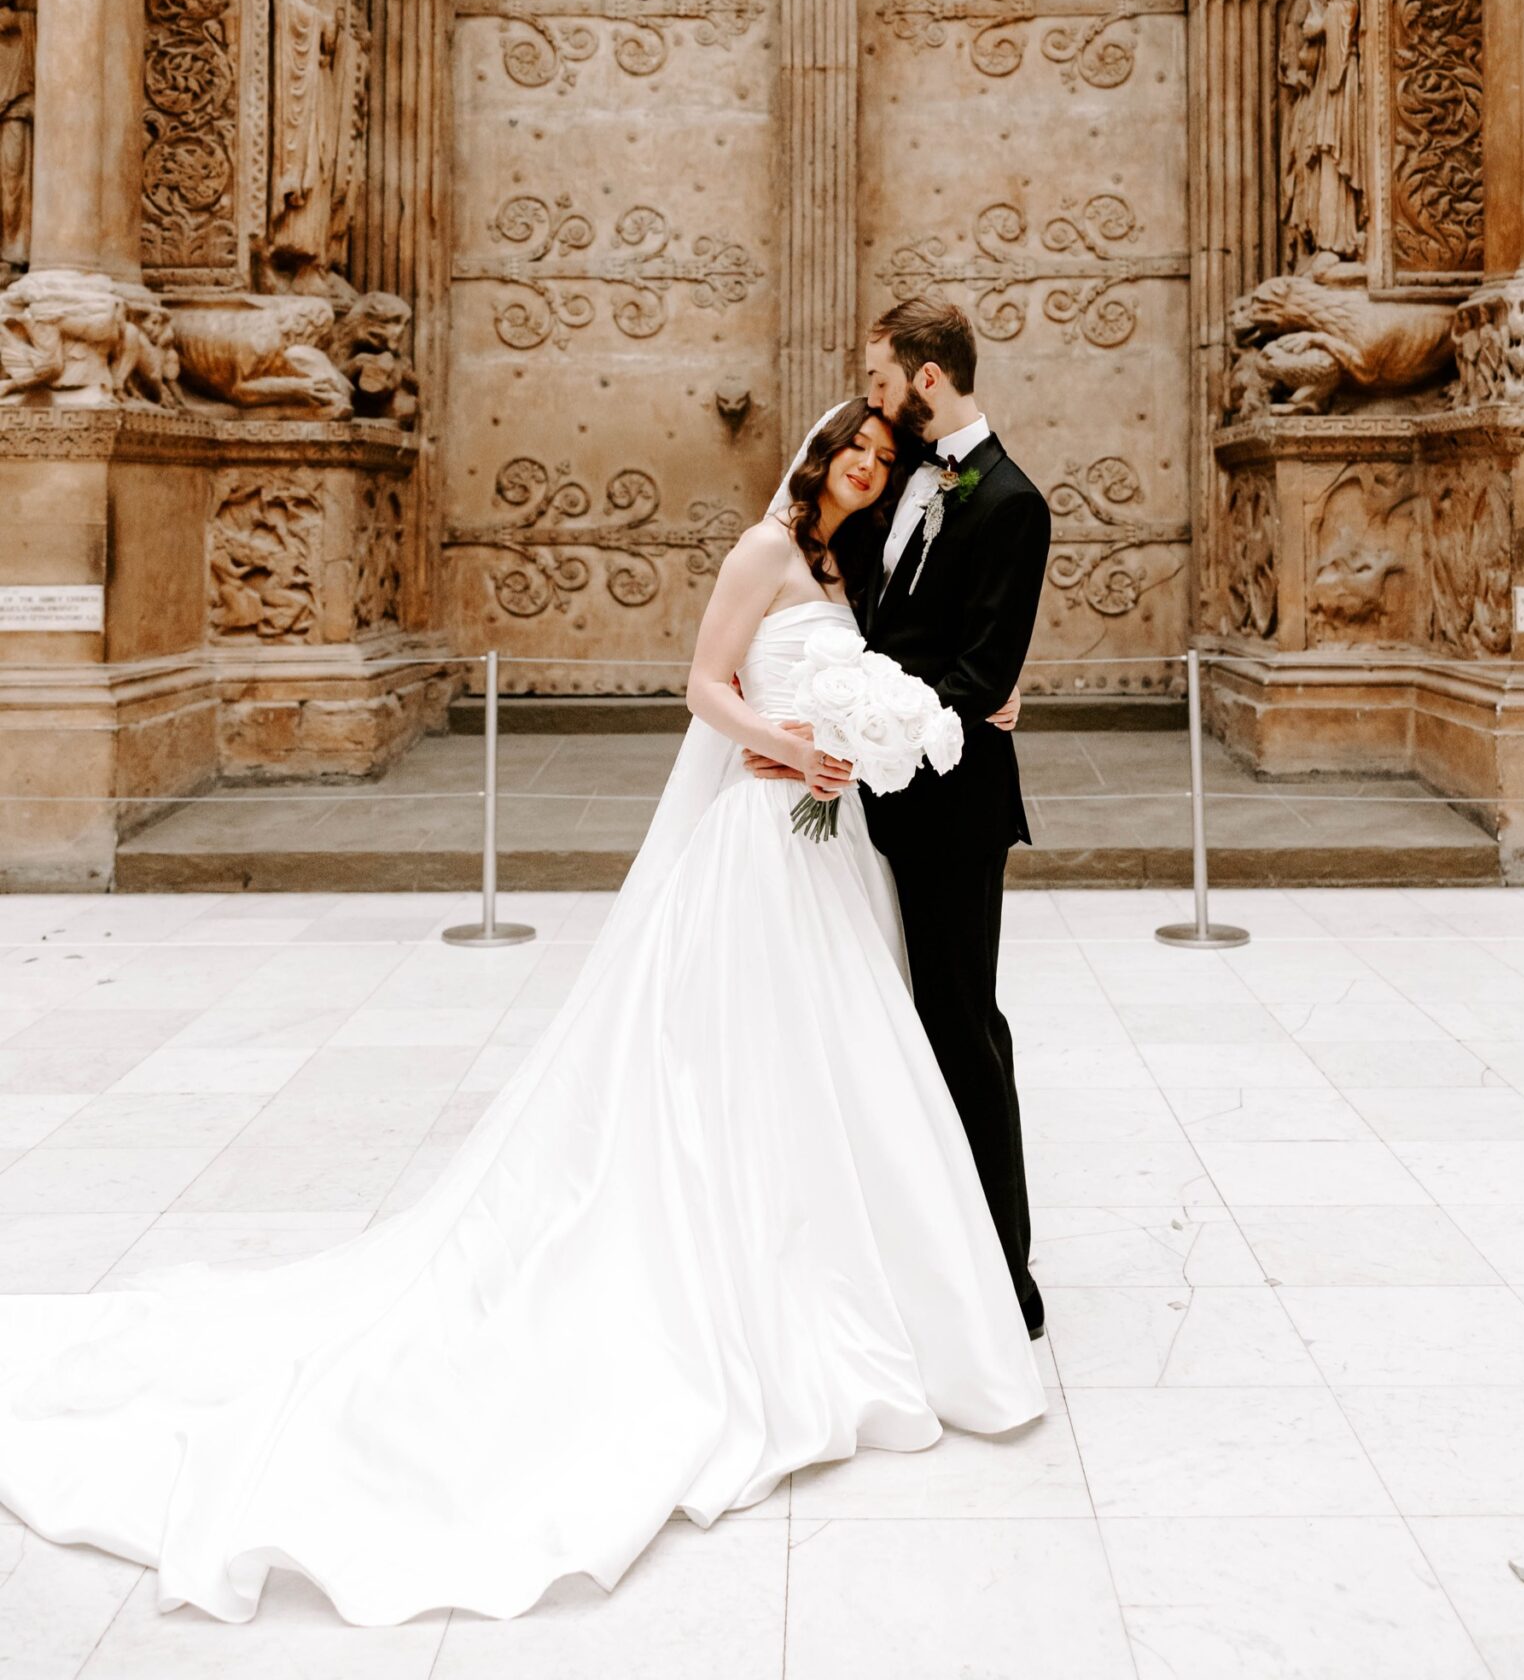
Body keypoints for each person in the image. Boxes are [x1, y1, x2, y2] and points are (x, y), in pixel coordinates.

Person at [0, 398, 1043, 1623]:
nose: (867, 474)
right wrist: (781, 741)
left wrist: (945, 715)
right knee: (729, 1064)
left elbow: (885, 676)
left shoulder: (842, 565)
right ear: (818, 459)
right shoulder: (764, 550)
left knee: (839, 1063)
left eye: (882, 462)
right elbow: (703, 685)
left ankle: (851, 1276)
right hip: (761, 837)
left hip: (827, 847)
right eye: (854, 456)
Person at [754, 299, 1052, 1337]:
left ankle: (1007, 1272)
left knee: (963, 1027)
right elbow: (846, 619)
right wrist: (803, 724)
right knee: (880, 1033)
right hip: (858, 800)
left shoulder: (1014, 502)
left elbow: (977, 670)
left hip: (951, 813)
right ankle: (909, 1248)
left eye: (881, 381)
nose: (869, 402)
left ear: (927, 377)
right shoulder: (893, 484)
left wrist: (954, 697)